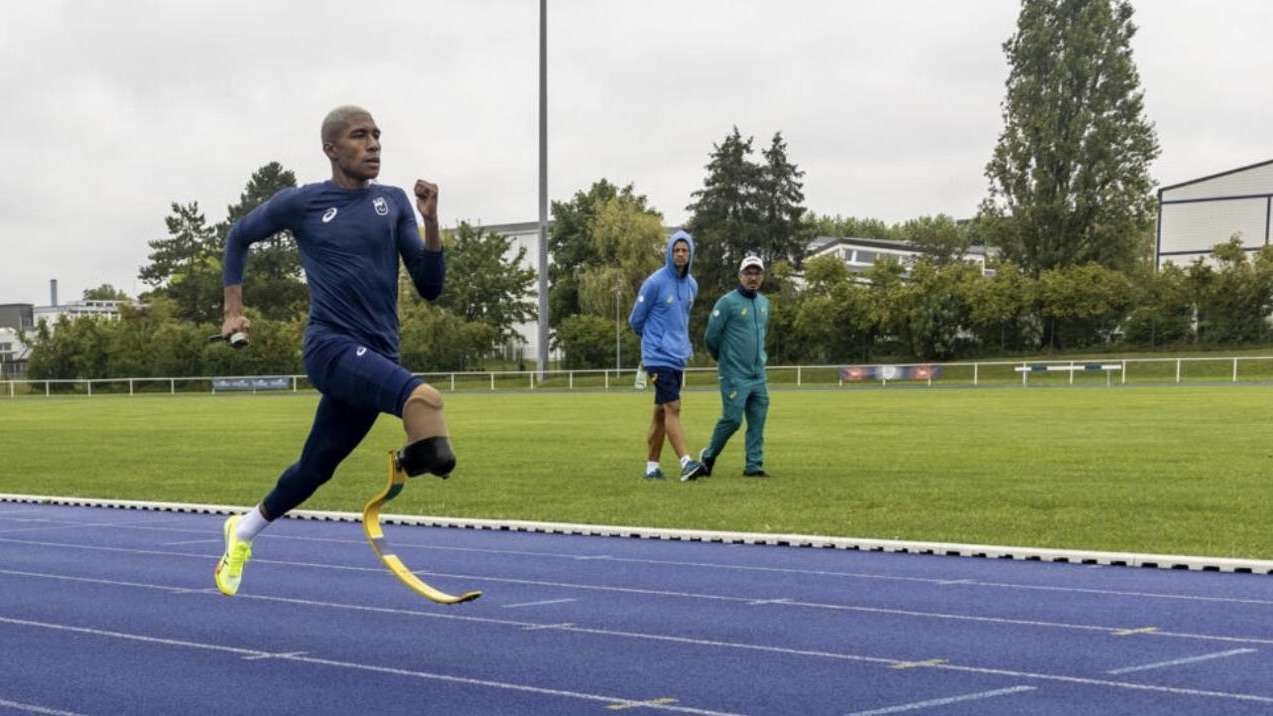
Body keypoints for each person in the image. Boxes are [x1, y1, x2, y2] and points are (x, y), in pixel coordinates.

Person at [214, 105, 457, 596]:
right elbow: (238, 236)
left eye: (377, 136)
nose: (373, 145)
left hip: (377, 356)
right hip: (330, 347)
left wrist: (431, 223)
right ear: (331, 148)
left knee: (316, 468)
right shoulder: (300, 203)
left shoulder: (392, 202)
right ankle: (412, 457)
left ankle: (241, 532)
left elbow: (430, 286)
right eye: (359, 136)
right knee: (425, 405)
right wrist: (232, 311)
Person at [629, 230, 707, 482]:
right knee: (673, 407)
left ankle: (652, 467)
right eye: (676, 250)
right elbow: (635, 320)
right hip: (657, 356)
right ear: (669, 253)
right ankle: (686, 463)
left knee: (661, 413)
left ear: (691, 253)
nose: (680, 254)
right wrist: (654, 342)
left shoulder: (692, 285)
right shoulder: (654, 282)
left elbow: (681, 320)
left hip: (677, 356)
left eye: (685, 250)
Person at [698, 255, 771, 477]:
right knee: (732, 419)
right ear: (740, 276)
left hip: (758, 375)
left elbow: (761, 334)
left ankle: (754, 466)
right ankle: (708, 456)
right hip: (734, 374)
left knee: (757, 422)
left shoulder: (764, 303)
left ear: (762, 277)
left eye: (757, 273)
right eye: (748, 273)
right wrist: (724, 360)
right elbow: (711, 337)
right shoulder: (727, 302)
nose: (753, 277)